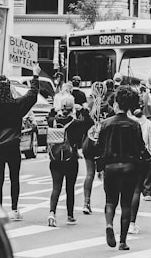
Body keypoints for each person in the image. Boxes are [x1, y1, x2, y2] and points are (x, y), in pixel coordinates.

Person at [96, 85, 151, 251]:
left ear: (117, 103)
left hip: (111, 166)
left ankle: (109, 224)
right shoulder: (134, 125)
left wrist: (99, 168)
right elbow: (142, 149)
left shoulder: (106, 124)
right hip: (130, 167)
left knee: (110, 201)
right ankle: (123, 241)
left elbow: (99, 149)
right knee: (126, 204)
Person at [0, 64, 41, 220]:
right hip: (12, 146)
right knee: (14, 178)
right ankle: (15, 210)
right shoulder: (15, 105)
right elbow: (32, 95)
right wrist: (35, 76)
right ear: (9, 89)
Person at [47, 95, 93, 227]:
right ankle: (70, 215)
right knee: (69, 188)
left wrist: (53, 111)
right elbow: (89, 123)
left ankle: (51, 212)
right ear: (72, 108)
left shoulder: (53, 121)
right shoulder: (76, 124)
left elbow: (48, 117)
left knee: (56, 187)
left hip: (55, 159)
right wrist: (83, 110)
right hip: (70, 159)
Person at [128, 99, 151, 234]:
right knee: (136, 190)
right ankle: (131, 223)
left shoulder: (127, 123)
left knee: (123, 193)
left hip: (124, 160)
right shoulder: (148, 124)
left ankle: (113, 223)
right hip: (141, 161)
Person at [82, 81, 114, 215]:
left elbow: (83, 126)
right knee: (107, 175)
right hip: (104, 144)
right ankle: (108, 204)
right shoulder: (110, 109)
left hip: (89, 142)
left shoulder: (88, 107)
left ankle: (86, 203)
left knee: (90, 173)